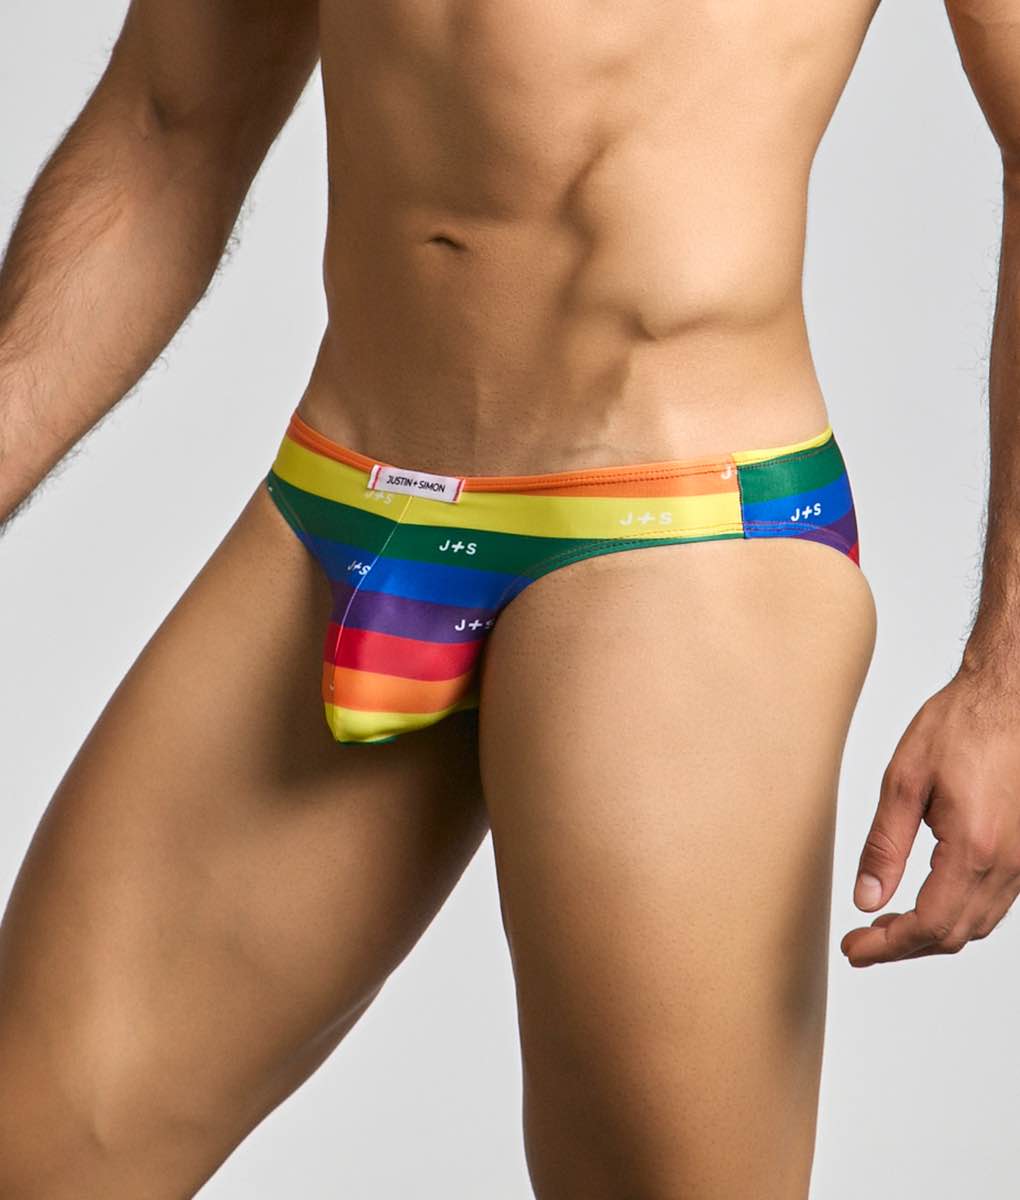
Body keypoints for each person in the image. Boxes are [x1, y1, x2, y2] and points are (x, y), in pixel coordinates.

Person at [0, 1, 1017, 1195]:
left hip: (675, 522)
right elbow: (170, 124)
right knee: (33, 1148)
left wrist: (1007, 676)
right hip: (348, 501)